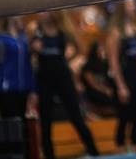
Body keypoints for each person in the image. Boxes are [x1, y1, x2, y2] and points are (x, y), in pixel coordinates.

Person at [31, 11, 99, 159]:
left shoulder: (63, 30)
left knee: (76, 116)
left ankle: (94, 152)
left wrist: (74, 63)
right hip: (44, 79)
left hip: (63, 77)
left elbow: (82, 51)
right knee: (46, 122)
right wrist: (34, 49)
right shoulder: (36, 30)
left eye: (46, 11)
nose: (42, 14)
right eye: (41, 11)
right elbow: (30, 58)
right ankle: (49, 155)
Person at [107, 0, 136, 153]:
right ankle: (120, 150)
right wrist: (120, 85)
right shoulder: (115, 33)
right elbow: (113, 62)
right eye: (130, 4)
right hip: (123, 78)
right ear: (122, 8)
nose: (133, 7)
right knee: (124, 117)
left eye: (133, 5)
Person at [0, 17, 36, 120]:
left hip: (22, 88)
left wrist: (32, 89)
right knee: (11, 123)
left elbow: (28, 65)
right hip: (5, 89)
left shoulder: (22, 36)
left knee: (22, 124)